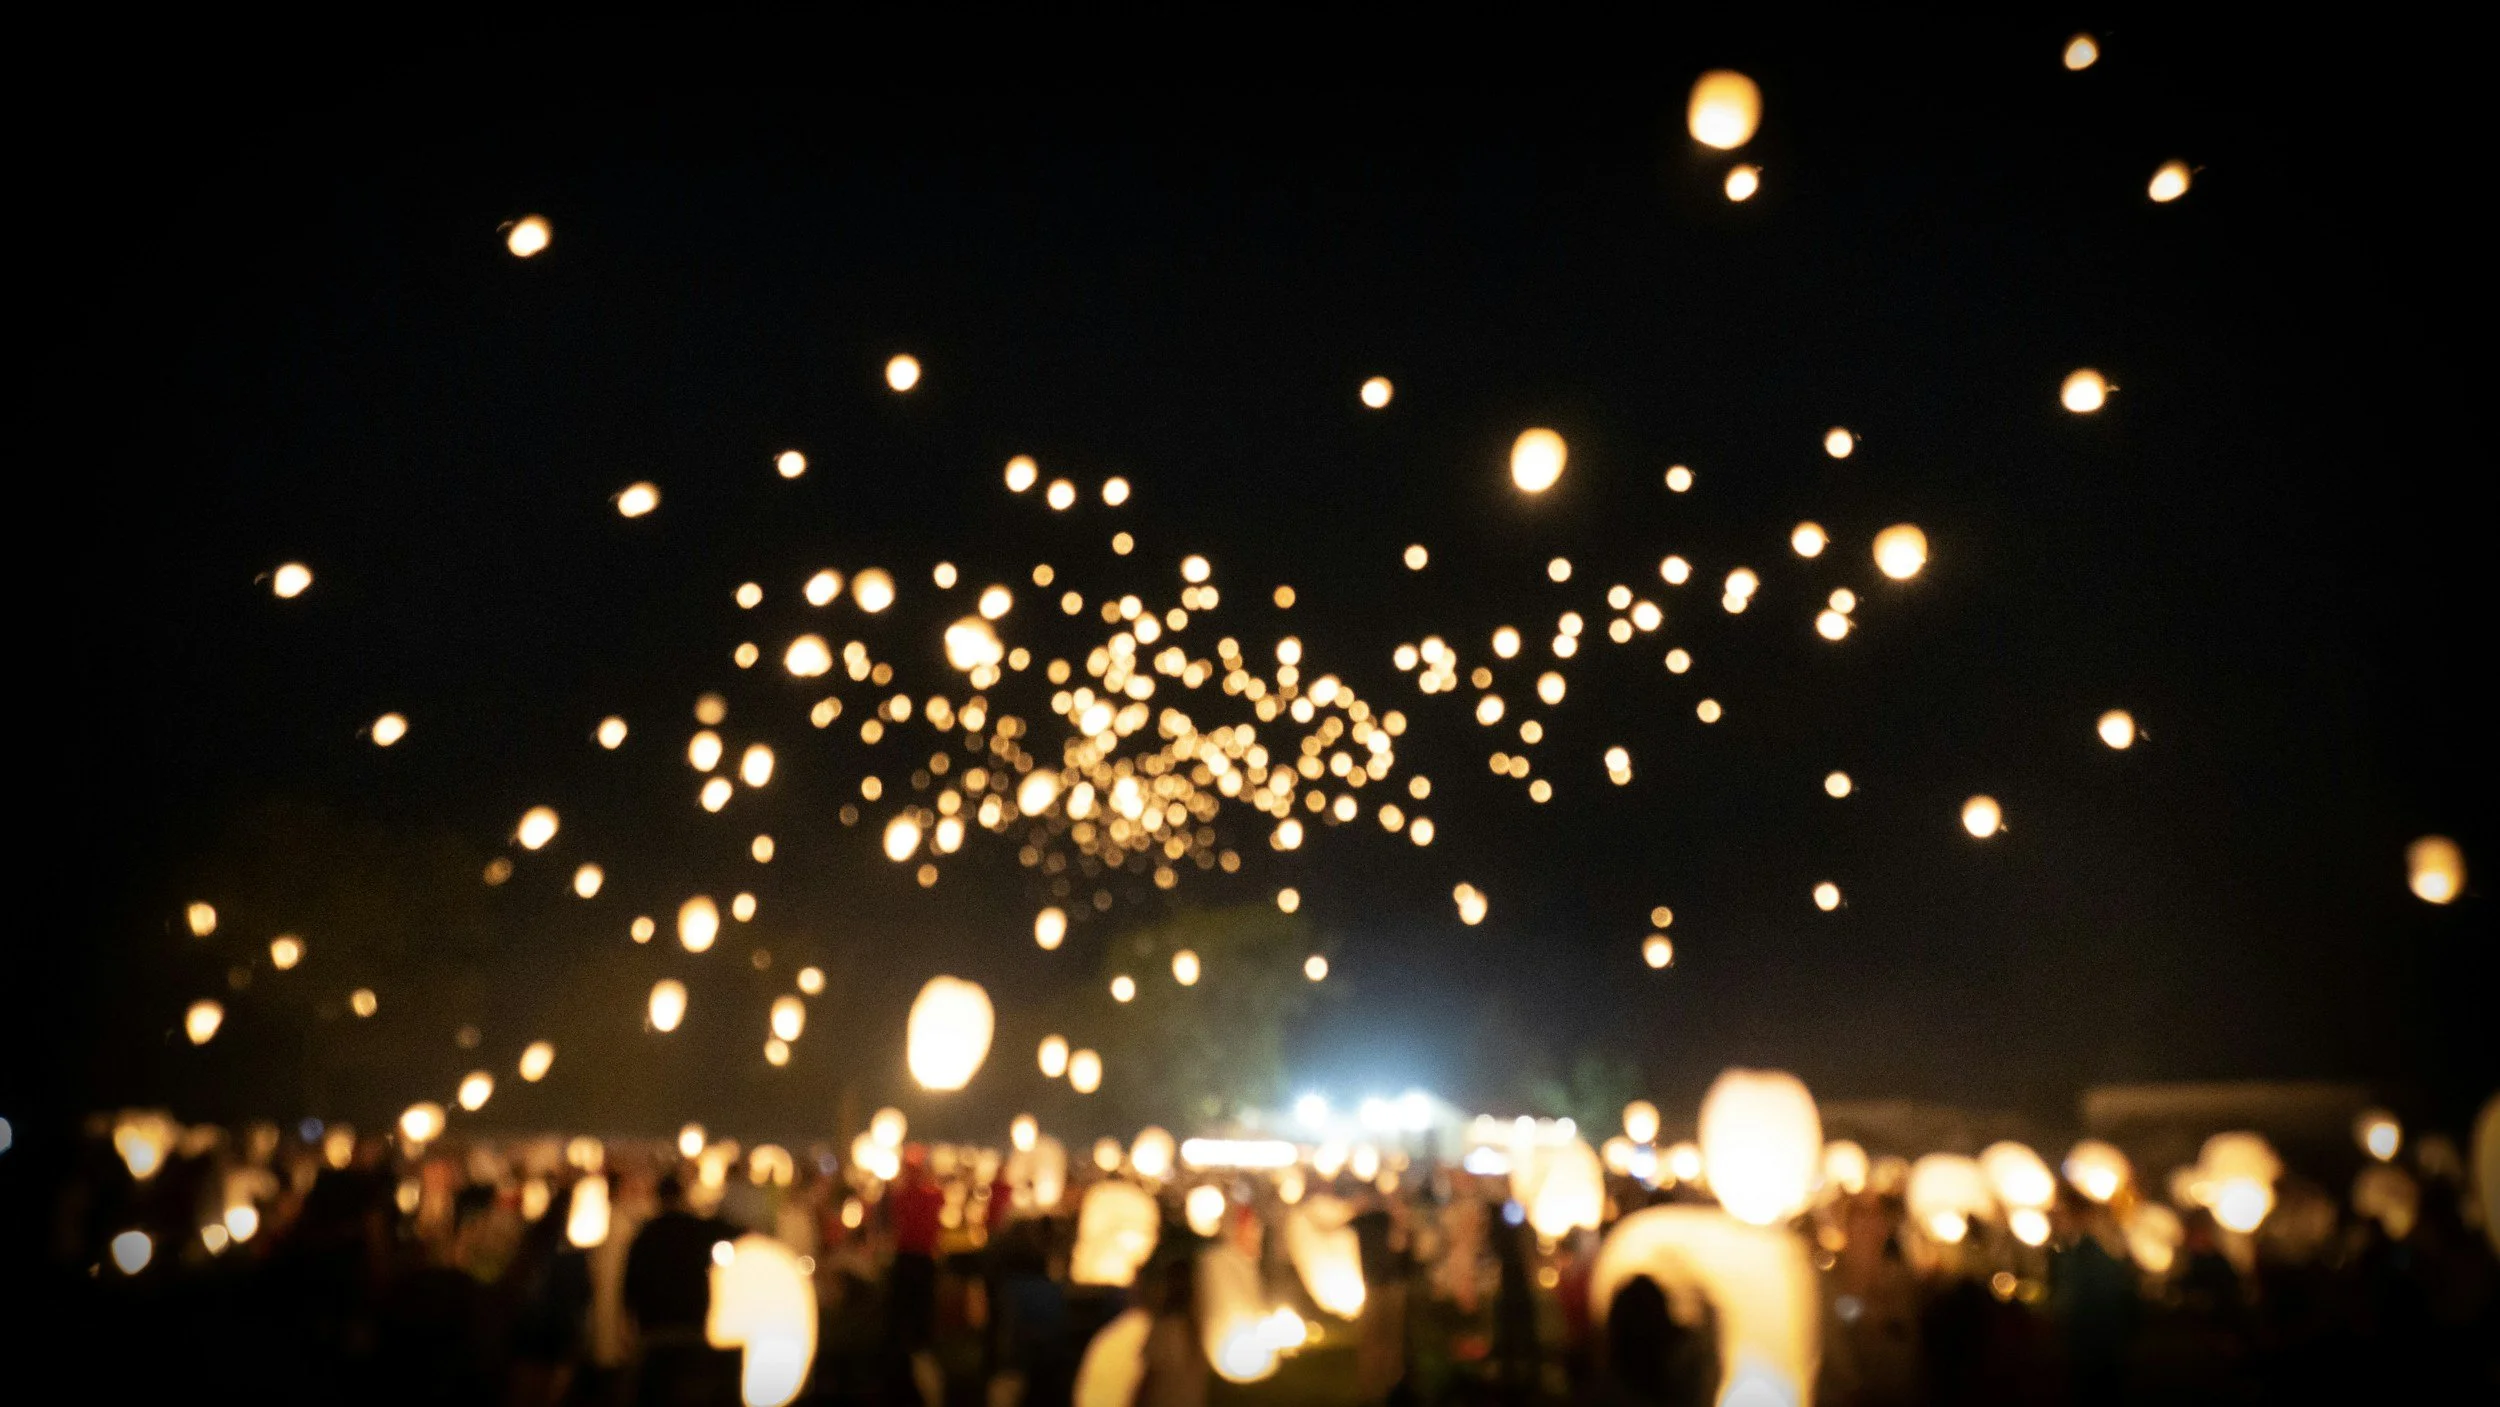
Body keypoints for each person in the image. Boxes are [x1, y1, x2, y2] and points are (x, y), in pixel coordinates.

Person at [622, 1173, 739, 1407]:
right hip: (692, 1331)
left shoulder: (646, 1235)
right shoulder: (698, 1230)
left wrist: (631, 1326)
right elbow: (736, 1233)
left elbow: (629, 1286)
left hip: (655, 1334)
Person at [886, 1144, 947, 1407]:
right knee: (919, 1322)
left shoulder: (902, 1196)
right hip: (921, 1262)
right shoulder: (933, 1196)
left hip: (908, 1261)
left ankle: (903, 1372)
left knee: (903, 1322)